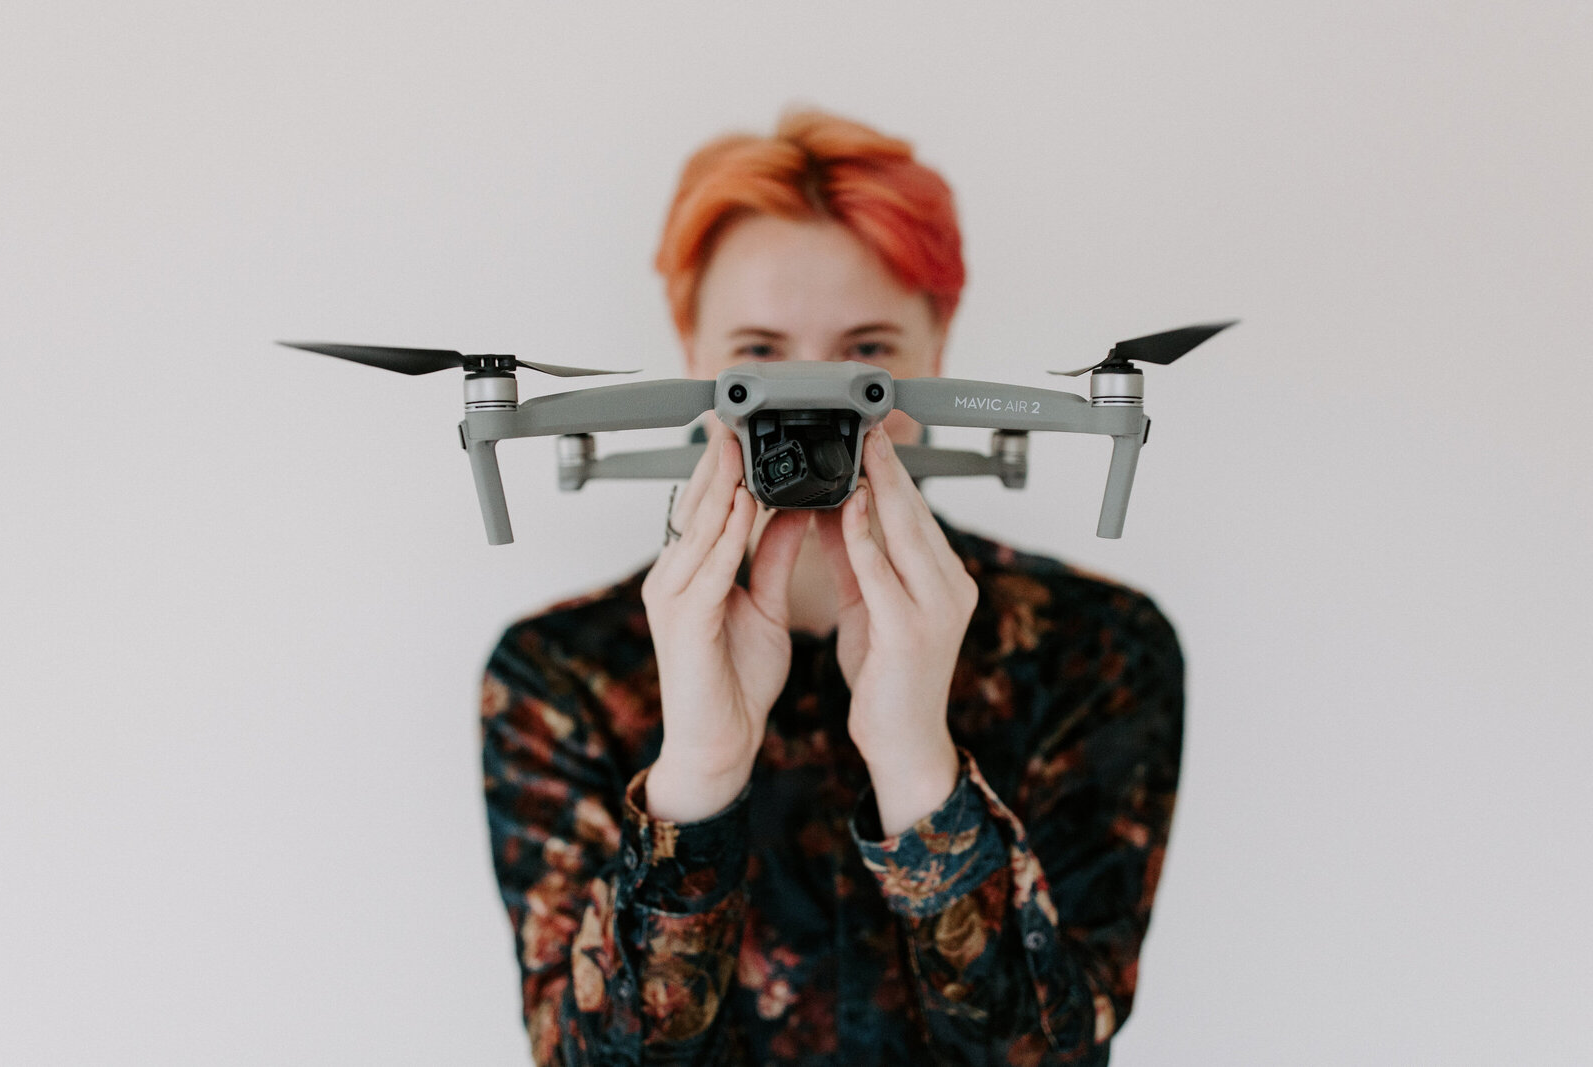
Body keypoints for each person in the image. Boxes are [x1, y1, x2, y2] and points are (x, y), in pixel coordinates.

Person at [480, 110, 1184, 1066]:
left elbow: (1054, 1052)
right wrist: (697, 772)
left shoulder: (1094, 646)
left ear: (941, 348)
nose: (808, 406)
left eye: (867, 358)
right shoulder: (559, 676)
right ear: (693, 352)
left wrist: (916, 764)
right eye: (760, 355)